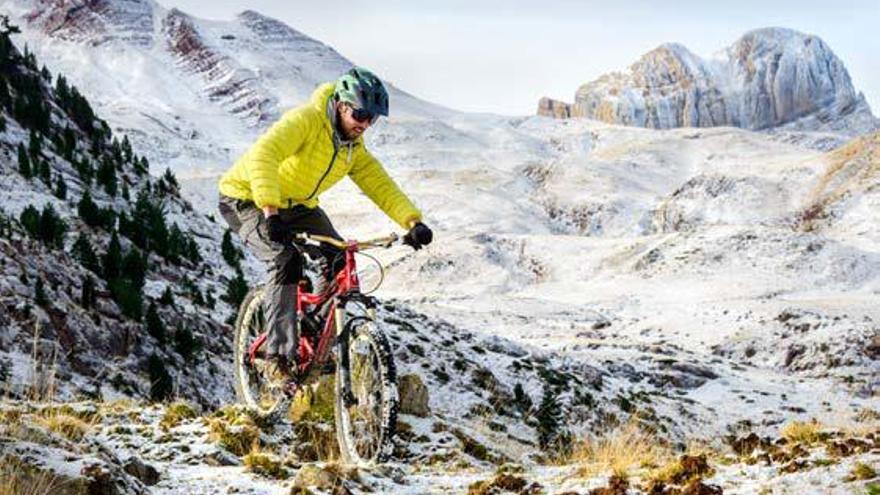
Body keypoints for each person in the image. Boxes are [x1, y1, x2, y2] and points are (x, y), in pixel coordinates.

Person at [217, 67, 433, 383]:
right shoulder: (307, 120)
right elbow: (263, 154)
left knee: (338, 260)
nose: (364, 124)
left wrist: (412, 221)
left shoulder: (351, 149)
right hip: (247, 199)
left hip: (298, 206)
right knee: (284, 260)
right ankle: (277, 357)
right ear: (342, 104)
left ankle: (314, 339)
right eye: (360, 113)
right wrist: (270, 210)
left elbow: (379, 184)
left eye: (372, 118)